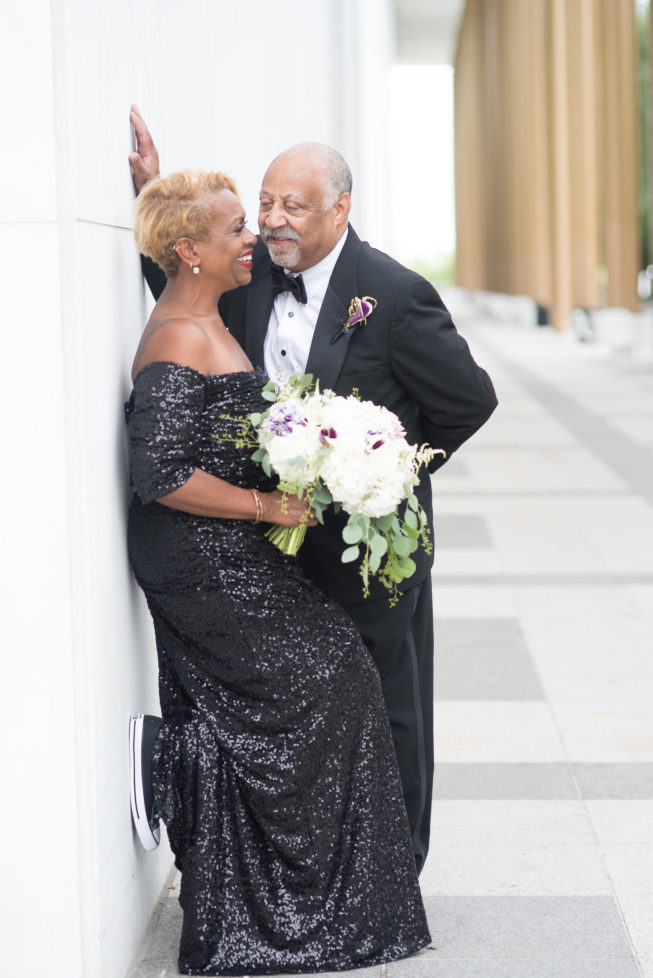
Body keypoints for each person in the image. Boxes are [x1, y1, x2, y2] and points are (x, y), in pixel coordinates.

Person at [130, 105, 498, 873]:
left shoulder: (392, 294)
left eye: (292, 205)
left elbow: (468, 401)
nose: (271, 220)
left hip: (365, 542)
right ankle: (311, 860)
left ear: (340, 207)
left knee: (382, 697)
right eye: (264, 204)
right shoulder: (248, 268)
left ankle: (396, 865)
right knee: (307, 705)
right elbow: (184, 279)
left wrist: (381, 473)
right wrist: (153, 193)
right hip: (260, 536)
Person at [125, 168, 431, 975]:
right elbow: (159, 475)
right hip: (198, 560)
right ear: (192, 251)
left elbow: (165, 252)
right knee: (332, 676)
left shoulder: (204, 307)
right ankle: (283, 903)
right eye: (235, 228)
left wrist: (148, 179)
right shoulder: (177, 336)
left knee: (335, 678)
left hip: (231, 550)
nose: (251, 236)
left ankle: (294, 894)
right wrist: (268, 510)